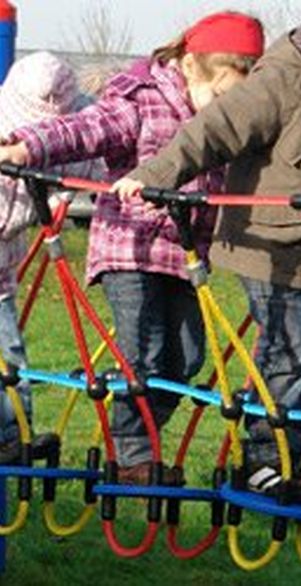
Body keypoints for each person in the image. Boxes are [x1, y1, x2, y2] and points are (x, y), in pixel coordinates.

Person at [111, 0, 301, 500]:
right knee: (292, 352)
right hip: (270, 244)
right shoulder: (286, 78)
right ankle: (261, 457)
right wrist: (153, 175)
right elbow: (213, 131)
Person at [0, 12, 265, 485]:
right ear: (190, 67)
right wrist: (23, 147)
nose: (222, 111)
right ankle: (131, 455)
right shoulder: (140, 100)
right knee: (141, 351)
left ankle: (138, 435)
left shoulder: (228, 123)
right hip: (130, 246)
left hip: (184, 255)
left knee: (186, 358)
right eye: (220, 95)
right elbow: (82, 129)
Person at [0, 52, 101, 464]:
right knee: (7, 351)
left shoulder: (72, 135)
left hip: (3, 265)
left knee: (10, 353)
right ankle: (10, 433)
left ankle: (12, 434)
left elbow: (98, 161)